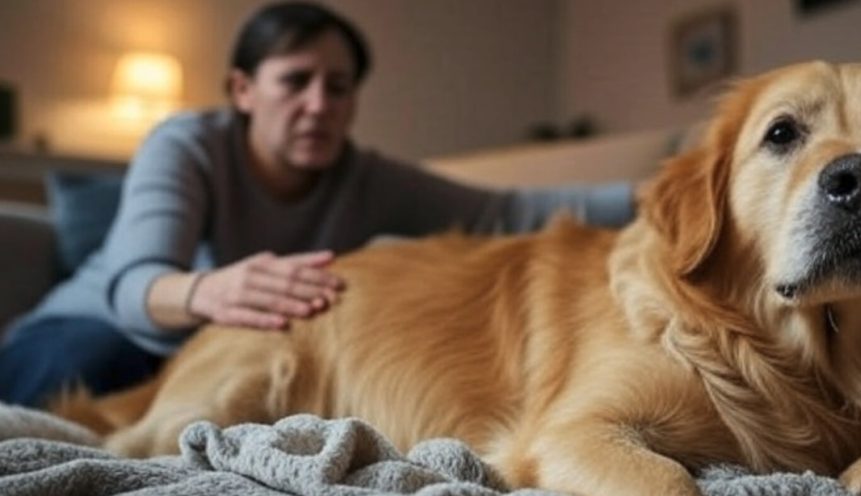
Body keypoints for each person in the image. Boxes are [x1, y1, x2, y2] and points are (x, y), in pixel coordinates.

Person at [0, 1, 634, 408]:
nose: (319, 105)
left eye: (338, 88)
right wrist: (207, 291)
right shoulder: (188, 145)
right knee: (98, 365)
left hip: (218, 370)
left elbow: (509, 213)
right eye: (295, 82)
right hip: (95, 331)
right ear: (243, 91)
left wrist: (665, 191)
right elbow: (133, 282)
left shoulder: (363, 176)